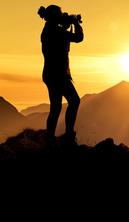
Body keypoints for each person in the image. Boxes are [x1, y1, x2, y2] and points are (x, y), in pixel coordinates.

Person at [38, 5, 84, 145]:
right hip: (58, 74)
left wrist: (66, 23)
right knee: (74, 101)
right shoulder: (56, 31)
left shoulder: (48, 30)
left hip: (50, 73)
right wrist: (75, 23)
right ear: (54, 17)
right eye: (58, 15)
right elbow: (78, 37)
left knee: (56, 107)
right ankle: (68, 135)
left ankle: (50, 139)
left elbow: (60, 37)